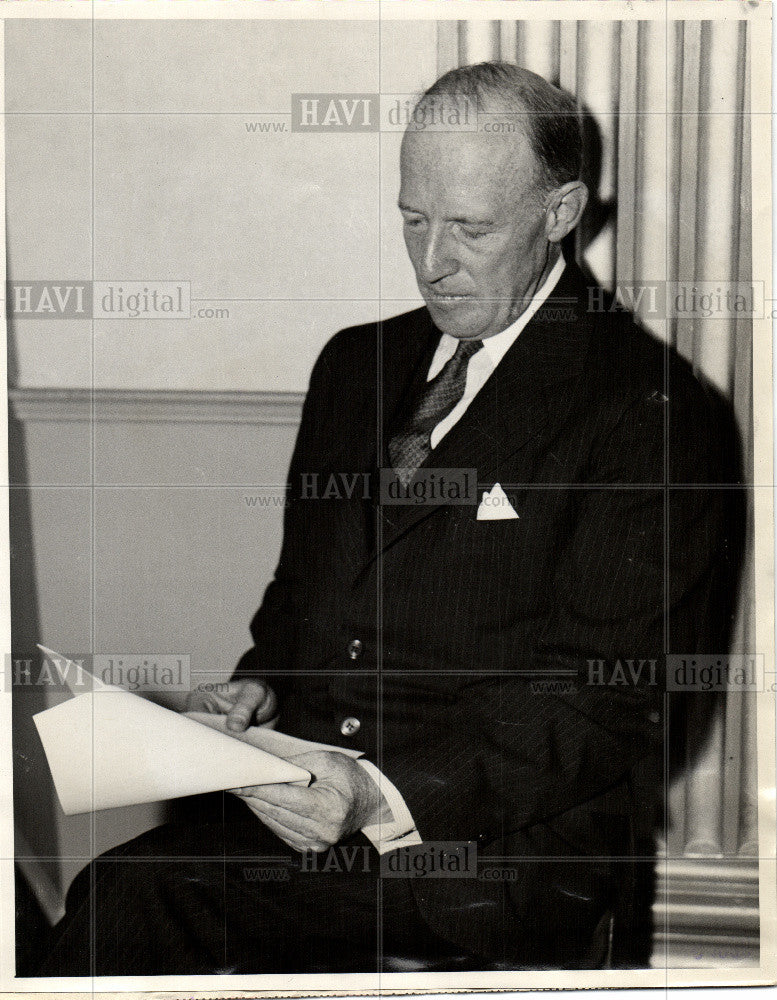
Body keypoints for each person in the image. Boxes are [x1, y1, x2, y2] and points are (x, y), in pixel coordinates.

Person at [40, 62, 734, 976]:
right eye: (414, 218)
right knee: (123, 890)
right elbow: (300, 599)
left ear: (561, 212)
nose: (432, 259)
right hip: (314, 790)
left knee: (134, 896)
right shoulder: (353, 367)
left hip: (496, 848)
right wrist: (260, 689)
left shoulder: (648, 410)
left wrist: (376, 795)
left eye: (472, 228)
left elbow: (604, 705)